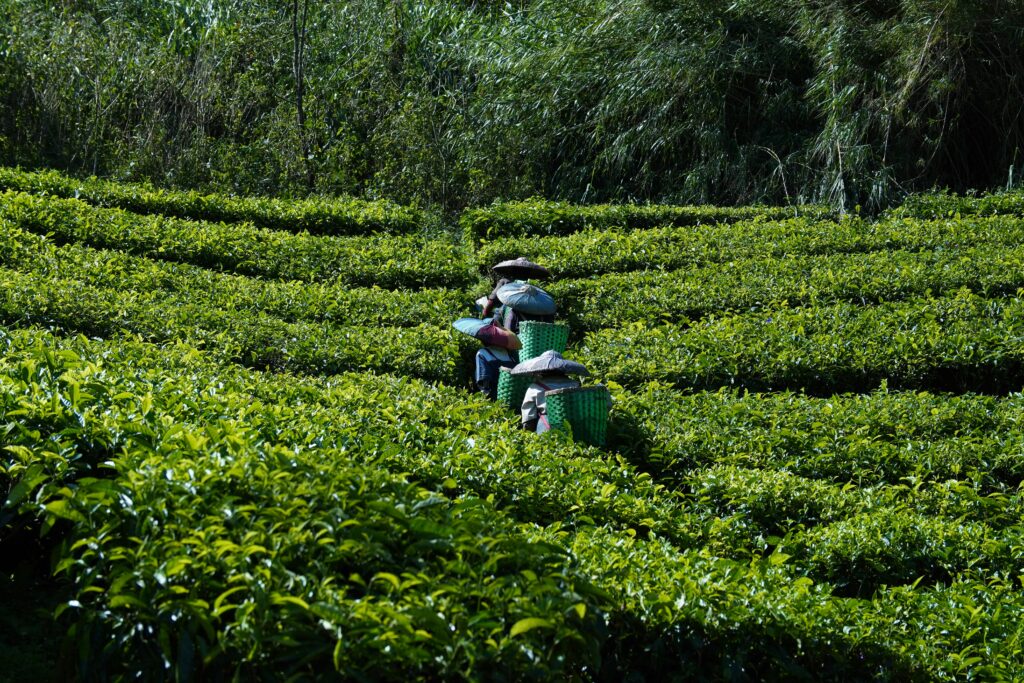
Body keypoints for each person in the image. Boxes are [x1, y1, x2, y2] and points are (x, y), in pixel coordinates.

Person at [509, 351, 589, 432]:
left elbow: (528, 417)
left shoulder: (535, 387)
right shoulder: (575, 384)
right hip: (573, 423)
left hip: (547, 425)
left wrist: (528, 433)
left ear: (541, 370)